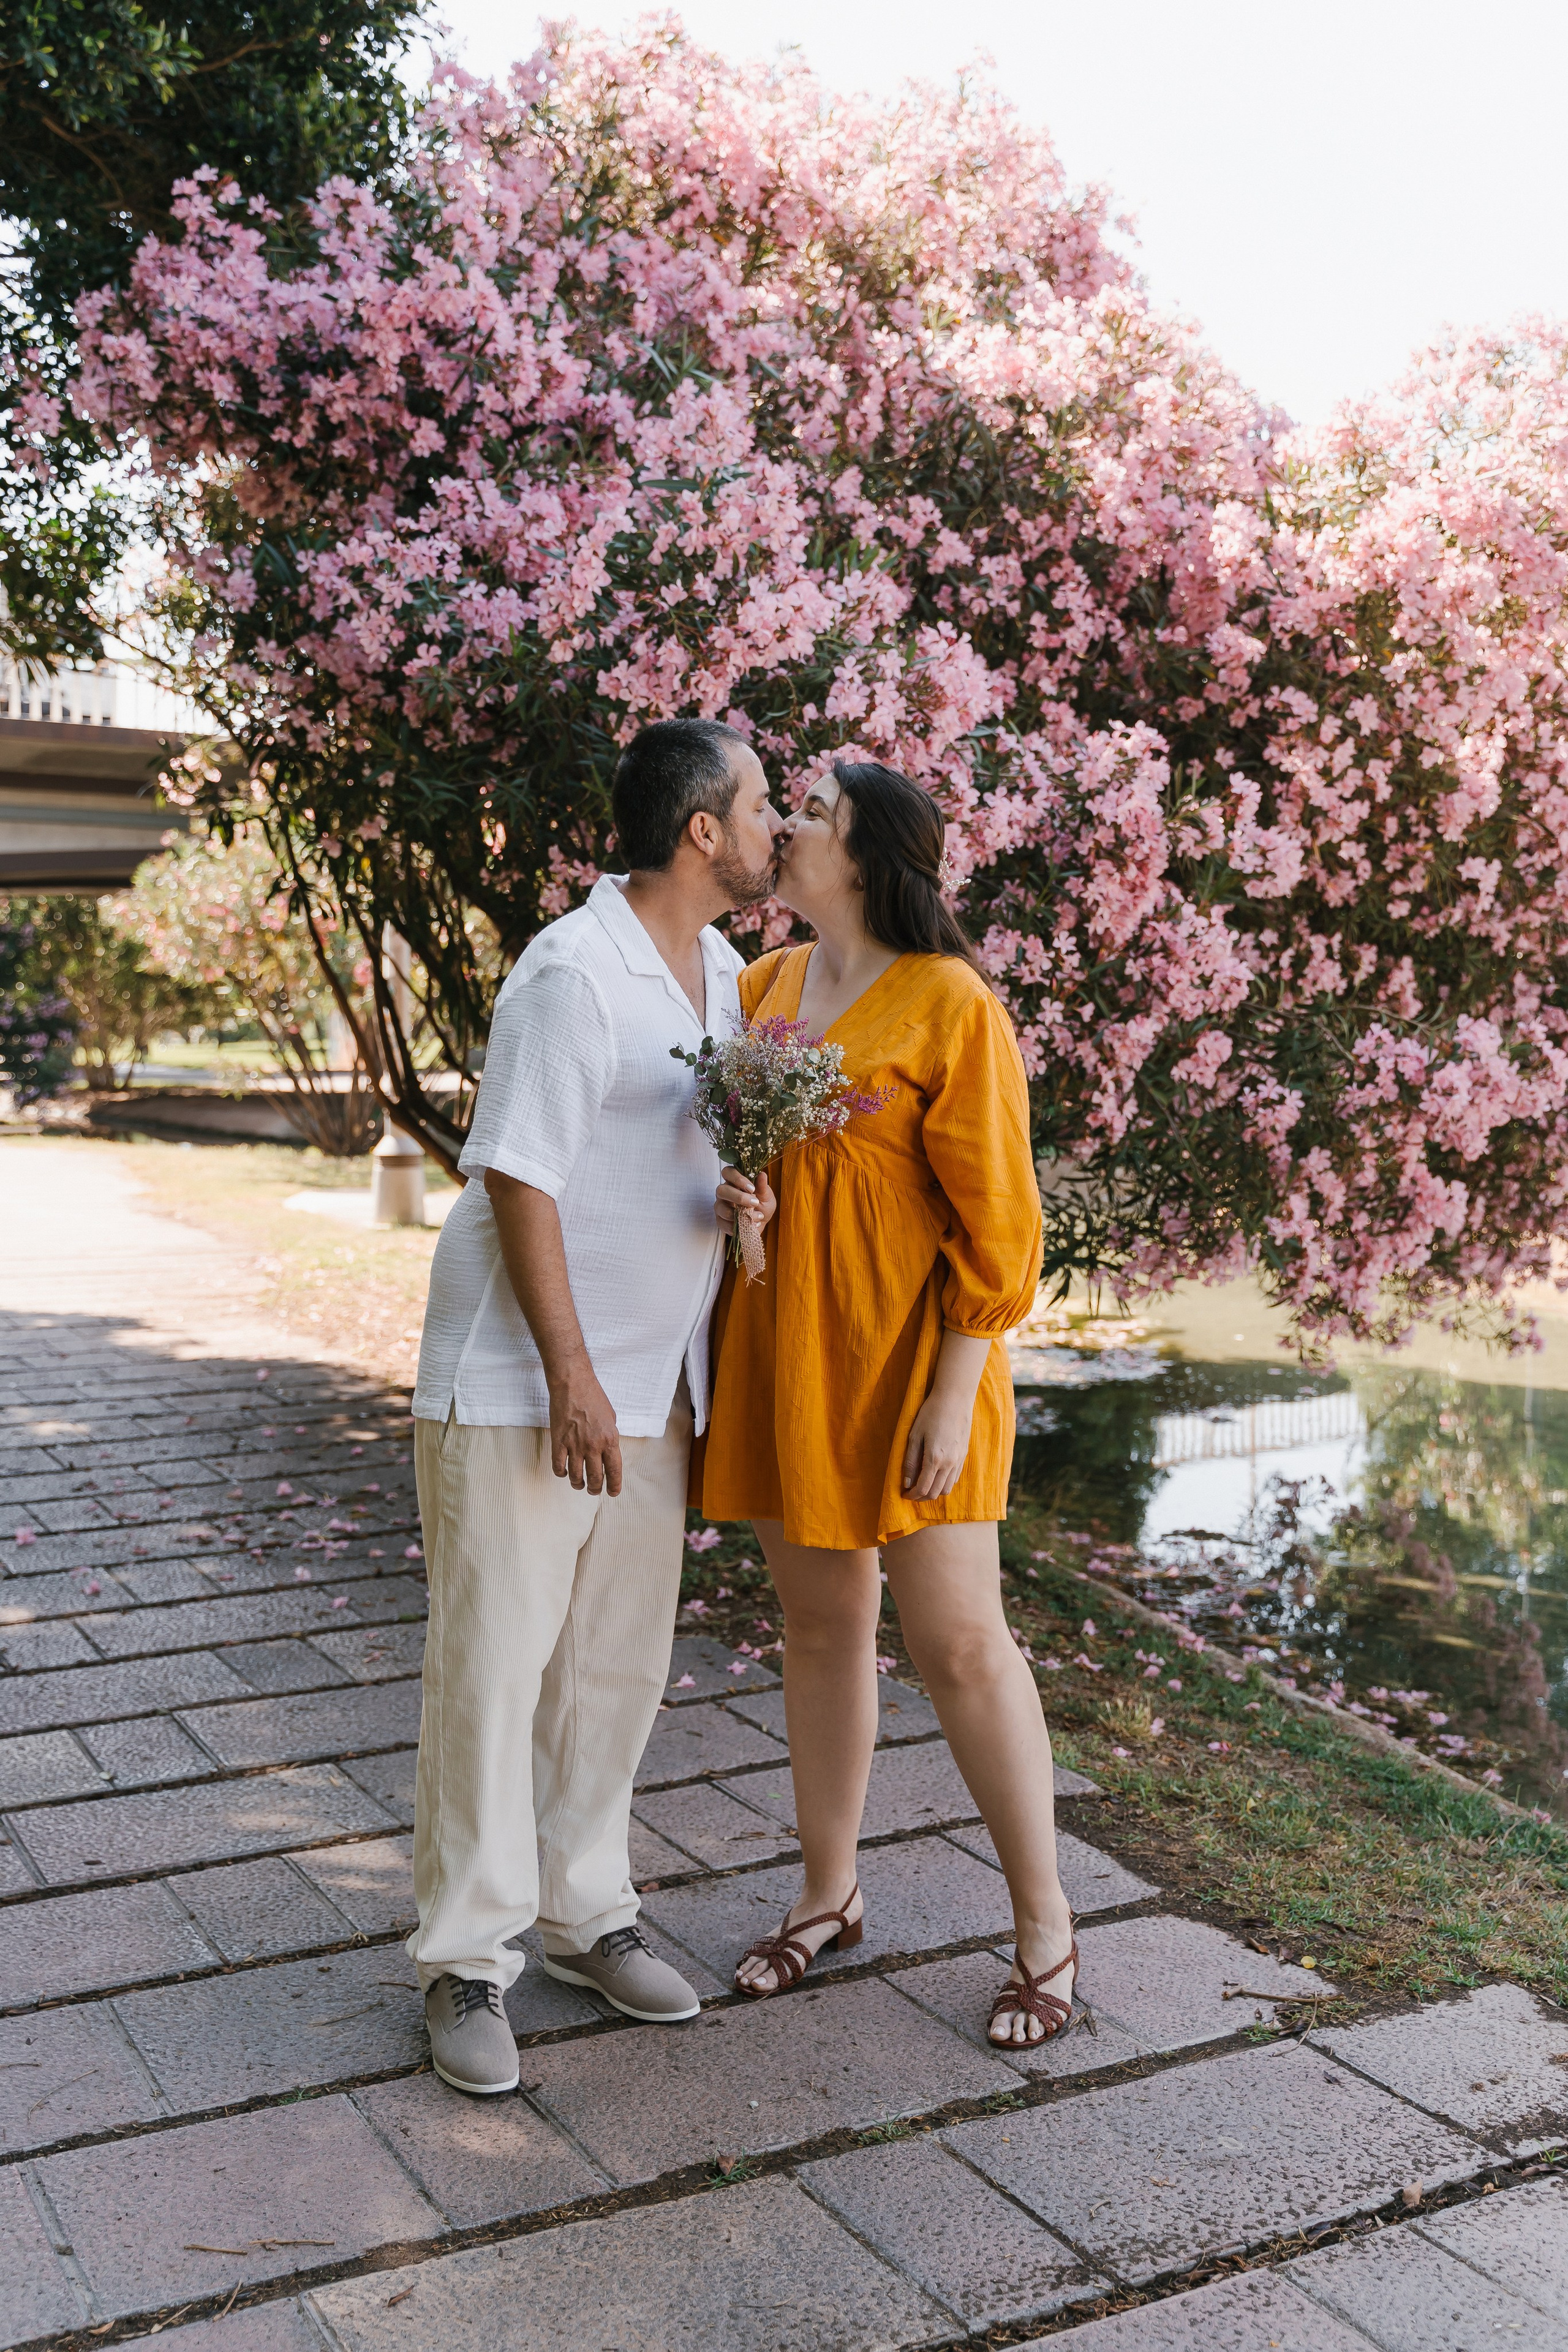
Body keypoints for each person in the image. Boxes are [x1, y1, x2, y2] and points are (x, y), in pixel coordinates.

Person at [407, 717, 782, 2094]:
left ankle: (583, 1913)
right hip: (527, 1385)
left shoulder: (722, 974)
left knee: (611, 1669)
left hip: (653, 1383)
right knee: (494, 1669)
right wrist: (569, 1374)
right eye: (761, 806)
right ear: (702, 830)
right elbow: (519, 1175)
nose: (776, 828)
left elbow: (658, 1155)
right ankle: (465, 1960)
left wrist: (734, 1199)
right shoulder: (572, 973)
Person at [698, 758, 1077, 2045]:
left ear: (864, 859)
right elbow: (752, 1170)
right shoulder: (762, 988)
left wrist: (952, 1393)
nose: (786, 826)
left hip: (918, 1363)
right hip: (786, 1346)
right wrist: (742, 1206)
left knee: (961, 1643)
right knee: (819, 1627)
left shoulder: (949, 1001)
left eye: (812, 814)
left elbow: (1001, 1222)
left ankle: (1044, 1928)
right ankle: (828, 1894)